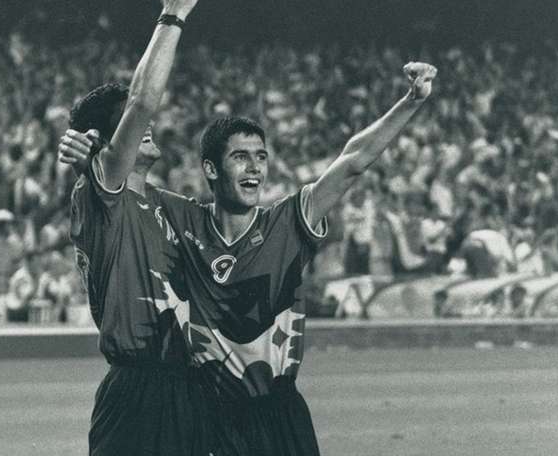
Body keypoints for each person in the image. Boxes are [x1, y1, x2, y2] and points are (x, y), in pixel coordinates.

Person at [62, 61, 437, 455]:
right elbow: (117, 186)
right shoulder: (179, 217)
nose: (254, 166)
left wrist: (411, 102)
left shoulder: (288, 222)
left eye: (260, 157)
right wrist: (91, 161)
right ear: (210, 168)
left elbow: (353, 161)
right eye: (240, 157)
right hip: (209, 414)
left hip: (277, 409)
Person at [61, 0, 211, 456]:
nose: (146, 126)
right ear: (107, 143)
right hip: (136, 388)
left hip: (187, 384)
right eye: (127, 124)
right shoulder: (103, 193)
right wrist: (172, 16)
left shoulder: (171, 207)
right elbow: (144, 100)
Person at [5, 250, 39, 322]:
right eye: (35, 262)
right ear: (29, 262)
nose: (37, 264)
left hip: (21, 309)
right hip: (16, 310)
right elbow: (24, 296)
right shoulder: (21, 276)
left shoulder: (29, 274)